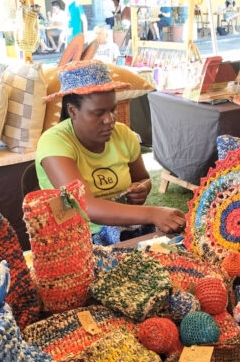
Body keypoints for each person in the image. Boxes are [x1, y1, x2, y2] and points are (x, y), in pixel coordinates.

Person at [36, 60, 186, 241]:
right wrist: (153, 213)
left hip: (126, 229)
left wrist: (142, 188)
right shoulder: (54, 142)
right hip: (77, 239)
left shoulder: (123, 134)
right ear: (72, 111)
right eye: (98, 113)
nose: (109, 120)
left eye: (112, 110)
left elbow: (142, 178)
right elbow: (85, 206)